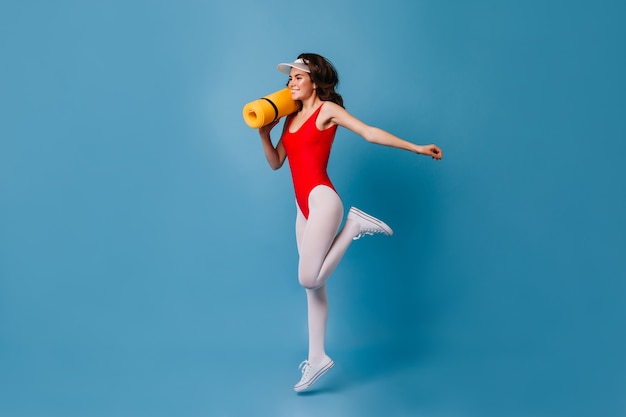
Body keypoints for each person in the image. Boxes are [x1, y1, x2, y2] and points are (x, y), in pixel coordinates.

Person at [258, 53, 442, 392]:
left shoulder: (326, 111)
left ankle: (355, 225)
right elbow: (276, 163)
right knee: (316, 289)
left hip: (322, 199)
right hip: (303, 207)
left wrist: (416, 148)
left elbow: (368, 132)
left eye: (298, 76)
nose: (291, 83)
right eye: (290, 78)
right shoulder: (289, 119)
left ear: (315, 80)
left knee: (308, 278)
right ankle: (316, 359)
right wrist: (264, 134)